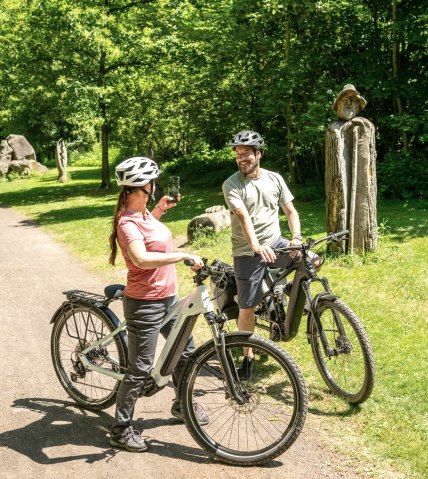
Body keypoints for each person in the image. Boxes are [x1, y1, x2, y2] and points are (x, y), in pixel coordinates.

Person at [108, 156, 208, 453]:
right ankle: (120, 428)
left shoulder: (143, 214)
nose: (155, 186)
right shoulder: (127, 222)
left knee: (185, 353)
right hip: (145, 304)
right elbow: (140, 257)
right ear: (142, 187)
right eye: (152, 183)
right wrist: (180, 255)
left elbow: (150, 238)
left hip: (168, 298)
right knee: (140, 368)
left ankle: (182, 404)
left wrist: (160, 209)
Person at [222, 130, 320, 379]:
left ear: (259, 154)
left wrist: (296, 238)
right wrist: (255, 246)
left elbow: (291, 211)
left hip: (276, 242)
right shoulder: (232, 184)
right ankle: (247, 356)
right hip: (247, 251)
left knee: (312, 260)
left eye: (246, 153)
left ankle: (290, 290)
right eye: (238, 154)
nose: (241, 158)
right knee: (247, 307)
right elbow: (243, 217)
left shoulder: (275, 179)